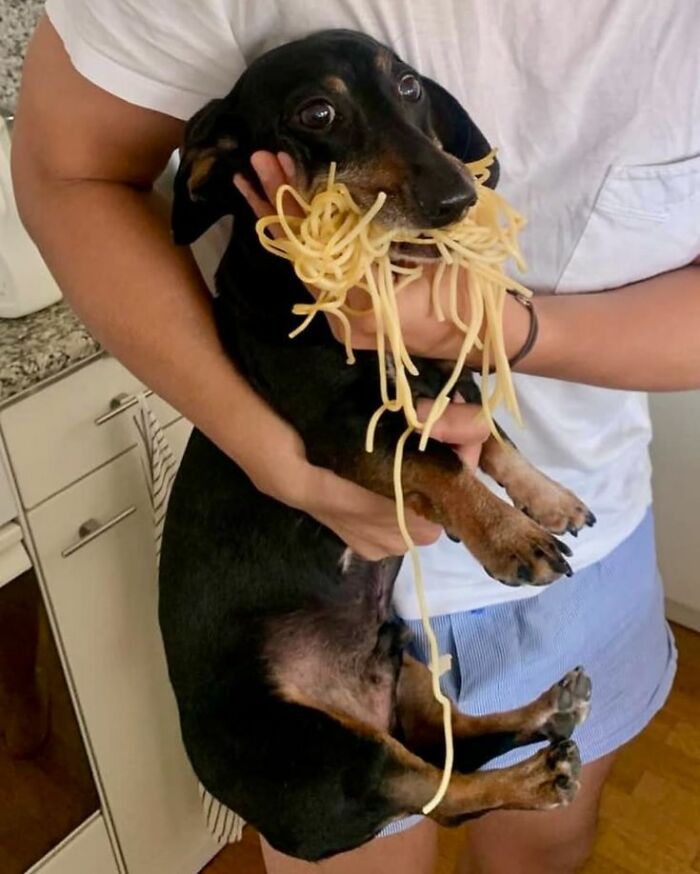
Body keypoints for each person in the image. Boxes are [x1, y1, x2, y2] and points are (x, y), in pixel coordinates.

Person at [12, 3, 699, 872]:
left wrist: (482, 329)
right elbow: (70, 173)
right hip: (292, 602)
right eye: (325, 115)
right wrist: (272, 457)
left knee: (547, 848)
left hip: (586, 536)